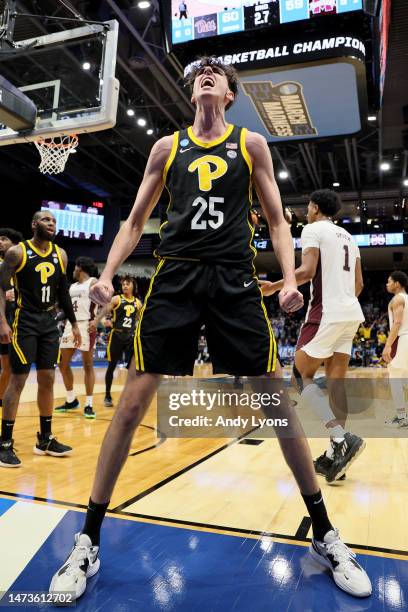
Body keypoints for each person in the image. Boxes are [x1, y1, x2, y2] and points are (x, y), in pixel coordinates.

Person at [50, 57, 371, 600]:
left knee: (276, 404)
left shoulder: (251, 145)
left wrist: (291, 278)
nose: (206, 73)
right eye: (198, 70)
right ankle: (88, 540)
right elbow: (133, 221)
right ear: (190, 89)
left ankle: (324, 533)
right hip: (173, 279)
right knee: (131, 407)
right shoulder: (165, 148)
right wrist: (106, 274)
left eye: (216, 72)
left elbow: (274, 220)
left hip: (233, 280)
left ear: (228, 93)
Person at [261, 189, 366, 483]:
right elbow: (358, 283)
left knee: (299, 375)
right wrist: (344, 302)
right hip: (351, 312)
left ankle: (339, 436)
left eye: (307, 206)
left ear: (315, 207)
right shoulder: (349, 237)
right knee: (337, 383)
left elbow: (306, 271)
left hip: (326, 312)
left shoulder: (312, 228)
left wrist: (274, 287)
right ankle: (337, 455)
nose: (306, 211)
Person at [0, 211, 81, 467]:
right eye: (46, 220)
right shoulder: (17, 253)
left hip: (48, 323)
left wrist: (74, 323)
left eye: (54, 221)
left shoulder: (61, 255)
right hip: (24, 320)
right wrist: (2, 321)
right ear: (34, 224)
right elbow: (1, 287)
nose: (51, 224)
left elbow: (63, 292)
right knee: (19, 379)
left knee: (47, 378)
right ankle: (4, 443)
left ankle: (45, 438)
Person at [55, 257, 98, 419]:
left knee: (88, 365)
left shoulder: (93, 282)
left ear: (81, 267)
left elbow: (108, 303)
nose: (73, 270)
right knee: (62, 363)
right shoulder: (72, 286)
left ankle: (89, 404)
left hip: (87, 325)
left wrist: (97, 320)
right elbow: (66, 308)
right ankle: (71, 399)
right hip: (70, 325)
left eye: (75, 267)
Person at [93, 276, 142, 407]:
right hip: (117, 336)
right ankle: (107, 396)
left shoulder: (138, 303)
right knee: (111, 366)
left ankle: (132, 395)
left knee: (134, 367)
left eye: (127, 284)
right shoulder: (117, 299)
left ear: (133, 286)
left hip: (130, 337)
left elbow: (140, 319)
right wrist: (98, 321)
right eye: (123, 284)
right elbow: (104, 310)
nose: (125, 286)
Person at [0, 228, 23, 407]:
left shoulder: (22, 264)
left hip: (15, 318)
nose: (0, 242)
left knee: (8, 366)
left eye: (4, 239)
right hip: (3, 317)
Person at [382, 271, 408, 426]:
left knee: (395, 377)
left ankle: (402, 417)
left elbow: (397, 323)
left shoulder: (397, 299)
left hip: (403, 338)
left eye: (389, 281)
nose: (387, 284)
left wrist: (387, 345)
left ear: (397, 284)